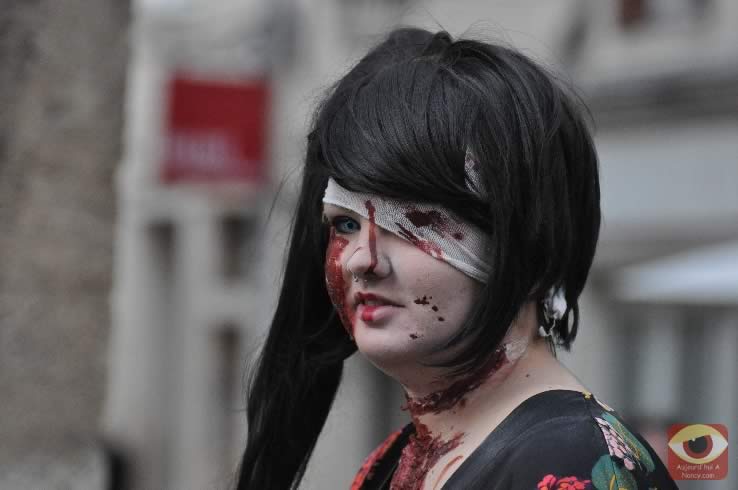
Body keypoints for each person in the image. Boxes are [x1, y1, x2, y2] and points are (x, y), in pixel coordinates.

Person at [236, 28, 678, 490]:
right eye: (345, 224)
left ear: (529, 243)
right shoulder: (396, 460)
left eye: (413, 222)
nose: (360, 260)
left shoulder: (575, 463)